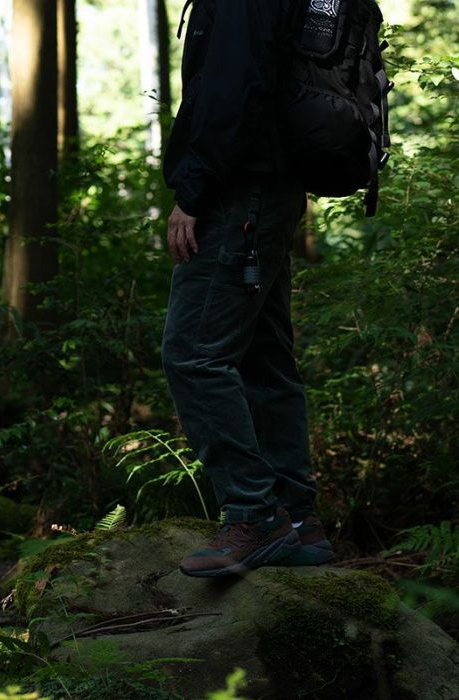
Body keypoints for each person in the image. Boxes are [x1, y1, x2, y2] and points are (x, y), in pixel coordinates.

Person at [161, 0, 334, 577]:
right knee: (264, 360)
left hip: (239, 195)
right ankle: (298, 520)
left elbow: (232, 91)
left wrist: (192, 191)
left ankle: (255, 515)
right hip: (271, 190)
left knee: (194, 355)